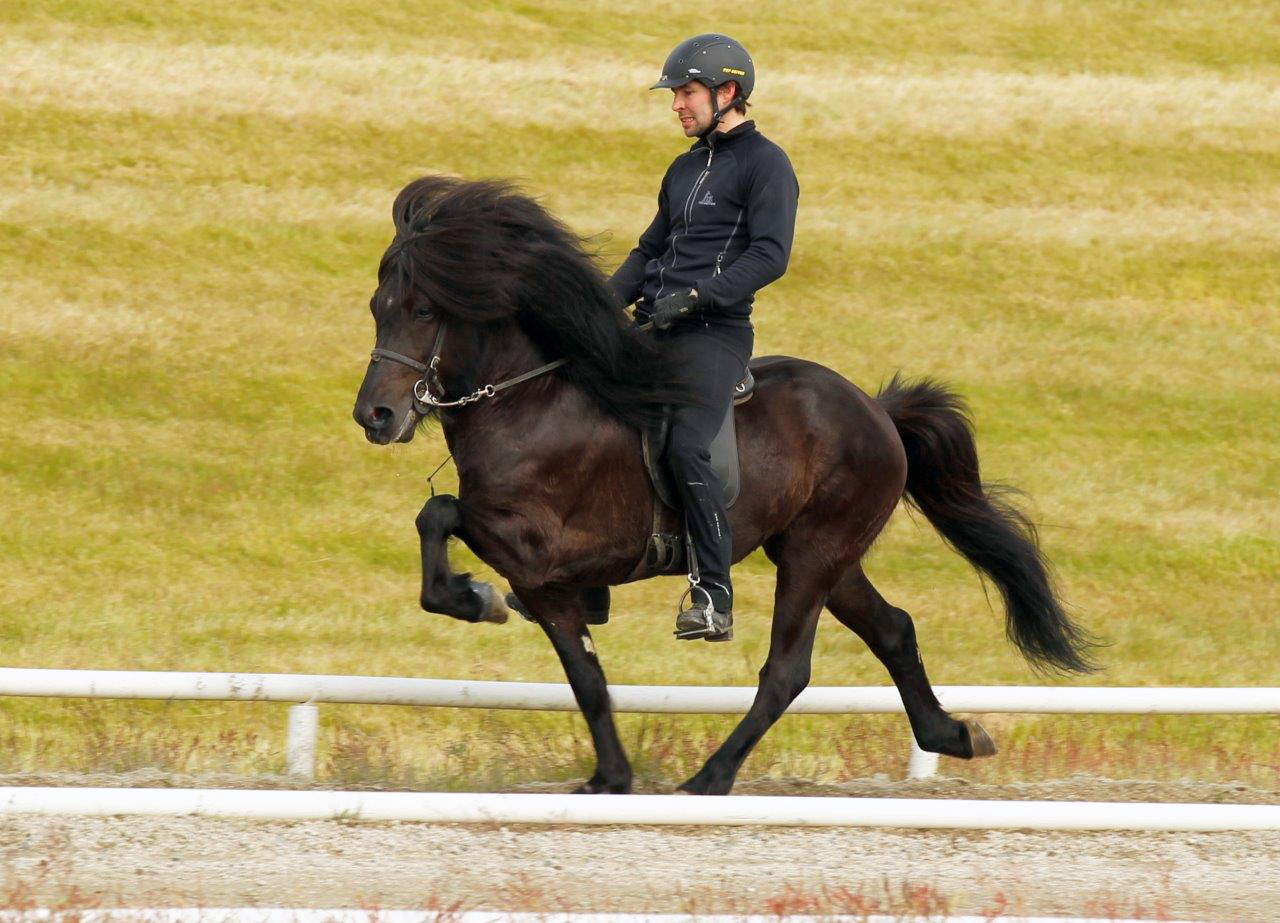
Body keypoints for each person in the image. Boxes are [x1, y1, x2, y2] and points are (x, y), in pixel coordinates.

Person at [610, 33, 800, 642]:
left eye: (686, 93)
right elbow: (648, 250)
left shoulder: (766, 164)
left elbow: (770, 255)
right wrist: (597, 306)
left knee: (688, 445)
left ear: (727, 92)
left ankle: (714, 594)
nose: (676, 105)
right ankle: (585, 581)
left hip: (713, 334)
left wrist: (697, 296)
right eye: (675, 95)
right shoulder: (684, 167)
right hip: (655, 325)